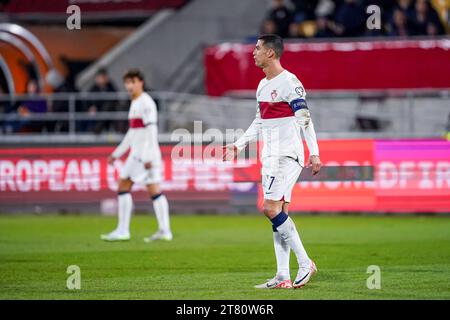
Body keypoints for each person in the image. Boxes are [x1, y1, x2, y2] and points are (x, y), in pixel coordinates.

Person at [223, 35, 322, 289]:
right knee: (279, 214)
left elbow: (305, 119)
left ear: (270, 53)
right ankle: (282, 276)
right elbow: (259, 121)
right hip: (270, 156)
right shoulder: (261, 85)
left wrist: (315, 152)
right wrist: (239, 144)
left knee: (269, 208)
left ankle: (305, 262)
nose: (253, 52)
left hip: (286, 155)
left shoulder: (290, 82)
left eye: (257, 48)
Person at [101, 69, 172, 242]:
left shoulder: (145, 103)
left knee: (123, 186)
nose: (129, 86)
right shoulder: (135, 103)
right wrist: (117, 154)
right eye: (127, 83)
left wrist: (147, 157)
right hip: (143, 154)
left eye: (132, 82)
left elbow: (151, 131)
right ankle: (165, 231)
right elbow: (132, 134)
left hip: (142, 155)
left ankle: (123, 230)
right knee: (154, 190)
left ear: (141, 82)